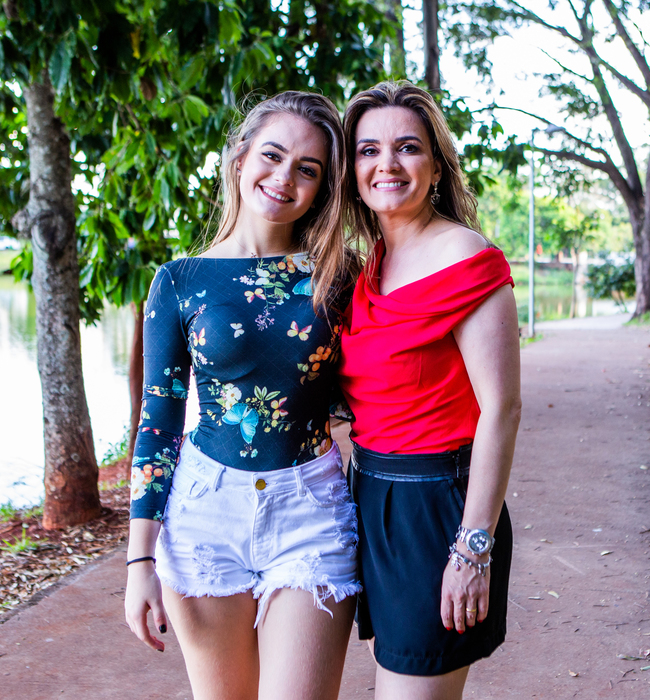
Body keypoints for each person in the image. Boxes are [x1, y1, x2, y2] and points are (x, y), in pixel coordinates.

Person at [123, 91, 363, 700]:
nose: (284, 178)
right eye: (272, 156)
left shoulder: (341, 275)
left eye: (307, 169)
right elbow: (158, 421)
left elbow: (377, 385)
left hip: (311, 509)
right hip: (205, 512)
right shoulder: (180, 280)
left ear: (322, 188)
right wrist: (139, 562)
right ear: (240, 159)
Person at [338, 81, 522, 699]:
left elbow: (502, 409)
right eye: (368, 150)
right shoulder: (368, 265)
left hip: (437, 509)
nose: (386, 164)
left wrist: (473, 547)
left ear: (437, 166)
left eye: (407, 147)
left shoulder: (466, 257)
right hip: (373, 499)